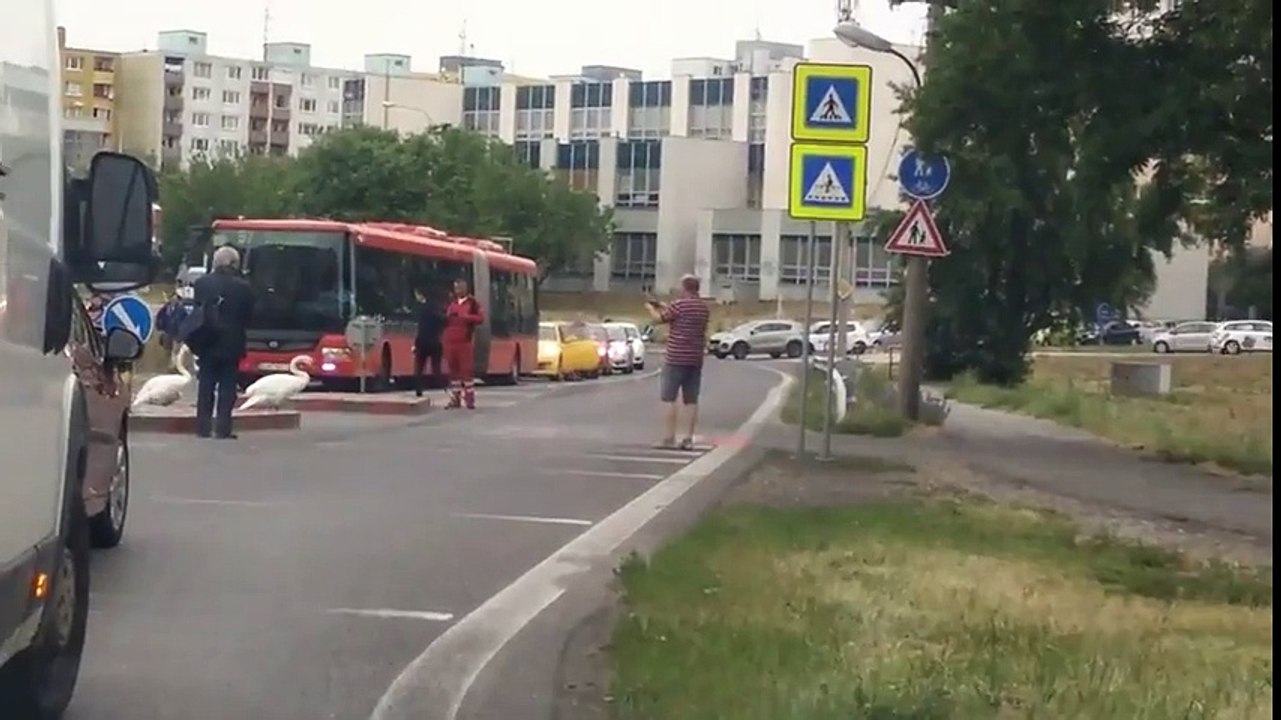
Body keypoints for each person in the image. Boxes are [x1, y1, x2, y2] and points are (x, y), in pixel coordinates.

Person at [189, 246, 256, 439]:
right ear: (235, 264)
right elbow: (249, 316)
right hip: (232, 343)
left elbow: (197, 311)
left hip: (206, 341)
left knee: (205, 385)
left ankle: (202, 427)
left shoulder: (202, 283)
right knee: (227, 387)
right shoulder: (244, 288)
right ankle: (223, 428)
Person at [646, 274, 711, 450]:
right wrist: (663, 306)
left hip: (676, 357)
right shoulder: (703, 307)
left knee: (669, 398)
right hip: (695, 358)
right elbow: (678, 314)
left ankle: (669, 438)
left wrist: (651, 309)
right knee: (691, 400)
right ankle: (688, 439)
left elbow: (659, 319)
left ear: (684, 287)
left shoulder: (679, 305)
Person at [441, 278, 484, 409]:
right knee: (453, 372)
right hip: (450, 341)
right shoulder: (451, 303)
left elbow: (481, 318)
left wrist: (466, 317)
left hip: (464, 341)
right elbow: (444, 319)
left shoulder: (473, 303)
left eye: (460, 288)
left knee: (466, 371)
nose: (458, 290)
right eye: (456, 288)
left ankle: (469, 400)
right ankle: (455, 399)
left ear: (466, 288)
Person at [412, 287, 445, 397]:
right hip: (435, 342)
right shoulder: (436, 307)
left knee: (419, 368)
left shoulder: (420, 309)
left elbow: (421, 329)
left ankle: (419, 389)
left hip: (423, 342)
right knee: (436, 367)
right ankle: (444, 386)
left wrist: (416, 344)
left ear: (421, 295)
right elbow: (442, 322)